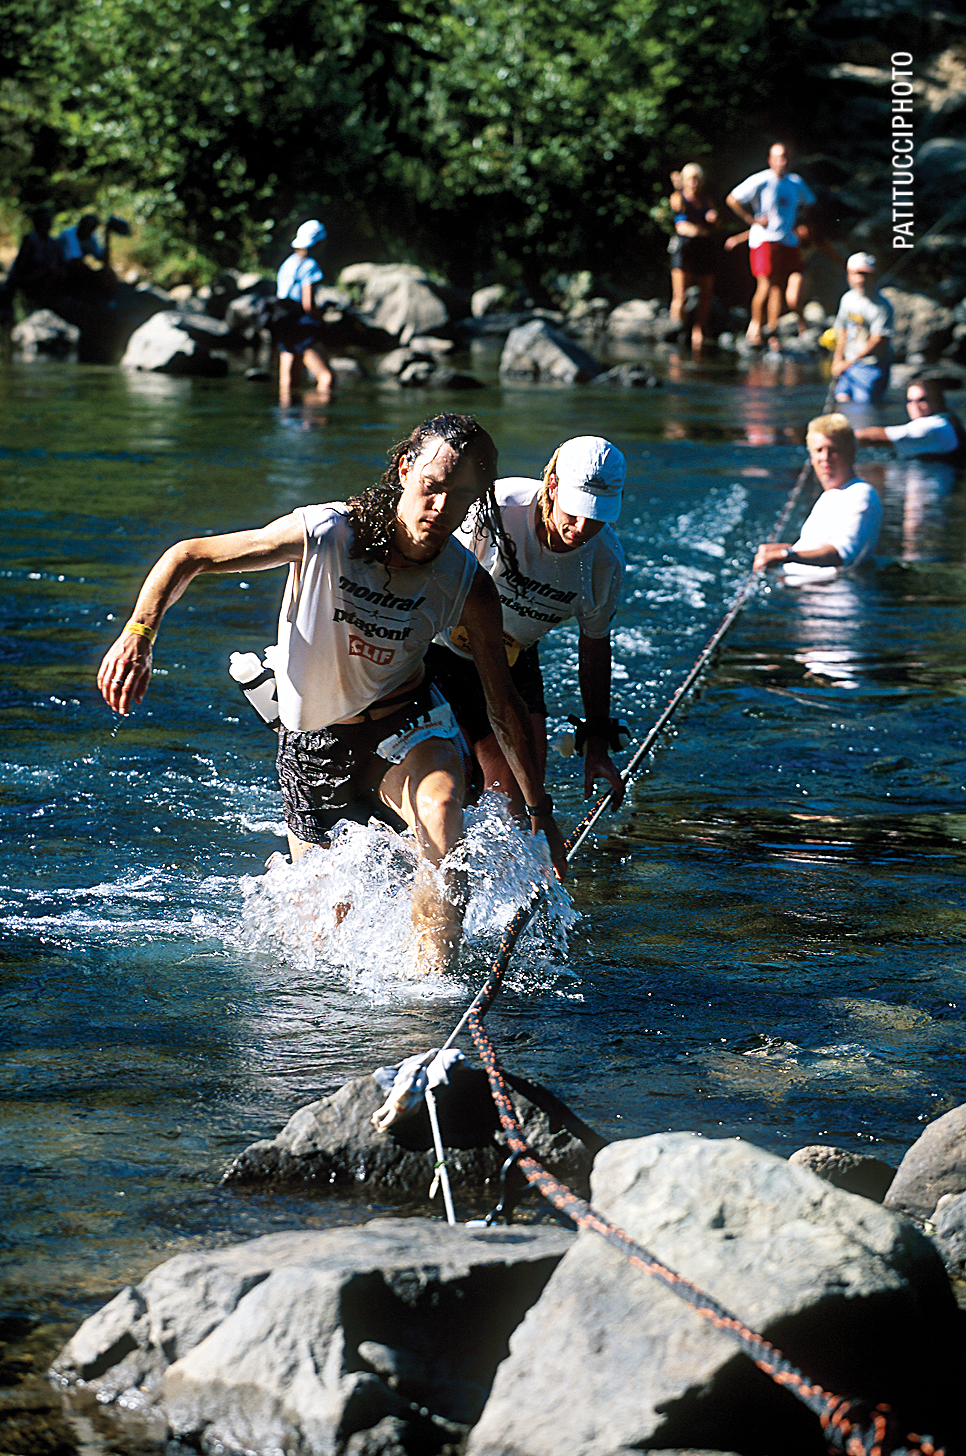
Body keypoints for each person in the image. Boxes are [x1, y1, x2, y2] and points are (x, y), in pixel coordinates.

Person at [97, 413, 565, 975]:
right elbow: (189, 555)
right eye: (431, 487)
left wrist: (540, 811)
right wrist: (139, 633)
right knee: (322, 940)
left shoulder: (467, 584)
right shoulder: (325, 534)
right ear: (405, 469)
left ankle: (433, 990)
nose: (441, 508)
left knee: (443, 816)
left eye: (461, 497)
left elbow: (503, 705)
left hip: (407, 722)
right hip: (314, 741)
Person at [425, 436, 626, 818]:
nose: (582, 527)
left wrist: (597, 743)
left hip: (512, 657)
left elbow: (595, 645)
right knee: (455, 785)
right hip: (435, 652)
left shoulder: (605, 562)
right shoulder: (497, 511)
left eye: (598, 515)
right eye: (575, 511)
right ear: (552, 486)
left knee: (517, 808)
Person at [753, 413, 882, 579]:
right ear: (811, 456)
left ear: (851, 452)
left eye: (833, 450)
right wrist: (776, 551)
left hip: (835, 593)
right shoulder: (831, 496)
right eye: (819, 450)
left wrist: (786, 554)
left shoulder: (860, 494)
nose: (825, 457)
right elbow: (814, 548)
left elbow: (842, 554)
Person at [726, 143, 816, 346]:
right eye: (778, 158)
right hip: (764, 239)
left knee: (778, 286)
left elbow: (810, 203)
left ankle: (772, 329)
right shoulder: (761, 180)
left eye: (785, 157)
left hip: (787, 240)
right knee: (765, 285)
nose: (782, 162)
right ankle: (755, 327)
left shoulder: (795, 182)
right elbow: (732, 199)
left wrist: (800, 222)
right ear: (770, 160)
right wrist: (752, 220)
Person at [273, 219, 333, 405]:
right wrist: (321, 320)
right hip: (302, 326)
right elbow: (308, 304)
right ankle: (317, 416)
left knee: (288, 381)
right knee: (326, 378)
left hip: (282, 323)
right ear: (318, 243)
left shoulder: (287, 263)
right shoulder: (310, 265)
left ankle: (287, 415)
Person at [667, 164, 719, 352]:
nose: (694, 183)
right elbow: (678, 210)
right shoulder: (678, 197)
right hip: (684, 249)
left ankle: (699, 331)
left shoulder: (706, 201)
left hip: (703, 249)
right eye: (691, 179)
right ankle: (675, 331)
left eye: (697, 179)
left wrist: (713, 218)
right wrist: (678, 188)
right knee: (680, 295)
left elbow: (715, 224)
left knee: (706, 294)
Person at [830, 253, 894, 406]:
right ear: (848, 275)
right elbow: (843, 331)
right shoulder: (847, 299)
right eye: (857, 274)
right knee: (841, 400)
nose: (861, 279)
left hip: (871, 366)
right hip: (848, 364)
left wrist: (848, 362)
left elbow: (879, 340)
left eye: (866, 274)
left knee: (863, 406)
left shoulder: (882, 306)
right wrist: (837, 360)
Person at [853, 376, 966, 461]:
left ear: (937, 401)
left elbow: (874, 437)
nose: (915, 406)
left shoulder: (936, 427)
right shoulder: (949, 419)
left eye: (922, 400)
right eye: (910, 401)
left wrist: (845, 436)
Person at [5, 206, 66, 308]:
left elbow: (56, 264)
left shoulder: (53, 243)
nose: (46, 224)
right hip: (26, 281)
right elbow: (21, 267)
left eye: (48, 221)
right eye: (43, 220)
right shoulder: (30, 240)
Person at [58, 213, 115, 300]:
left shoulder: (91, 238)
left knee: (108, 273)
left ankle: (109, 300)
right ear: (80, 224)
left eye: (91, 228)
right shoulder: (69, 235)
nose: (88, 230)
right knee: (82, 270)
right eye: (86, 226)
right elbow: (75, 260)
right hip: (61, 268)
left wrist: (107, 238)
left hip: (77, 268)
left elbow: (103, 260)